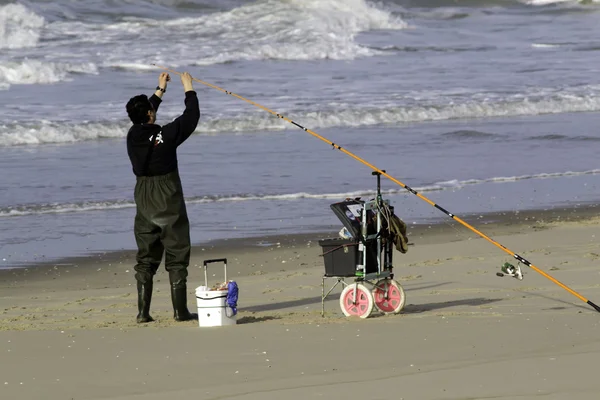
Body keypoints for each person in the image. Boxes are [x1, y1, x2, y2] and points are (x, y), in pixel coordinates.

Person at [125, 71, 200, 323]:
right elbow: (190, 118)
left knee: (146, 257)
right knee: (177, 253)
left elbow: (145, 115)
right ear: (149, 114)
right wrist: (188, 88)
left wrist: (160, 90)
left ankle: (143, 313)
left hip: (144, 197)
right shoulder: (164, 136)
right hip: (167, 195)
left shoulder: (132, 135)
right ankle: (180, 311)